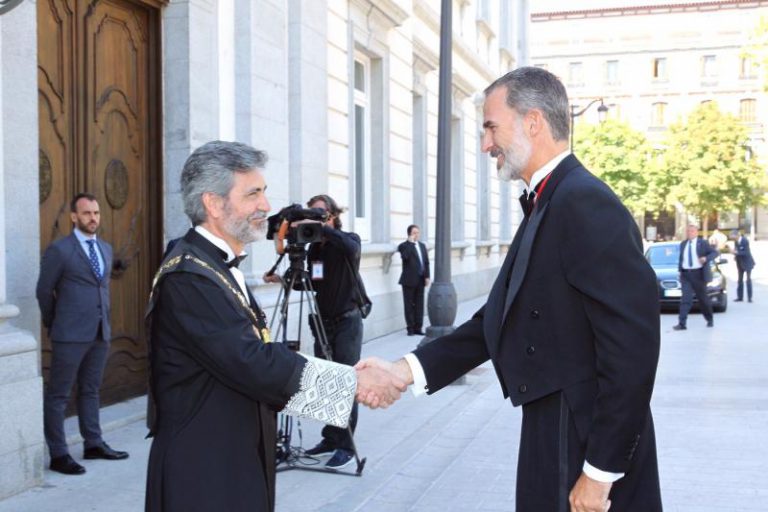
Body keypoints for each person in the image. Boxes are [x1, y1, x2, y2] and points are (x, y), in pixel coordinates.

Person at [357, 67, 662, 512]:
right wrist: (403, 370)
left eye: (490, 126)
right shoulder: (551, 200)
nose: (485, 144)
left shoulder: (583, 201)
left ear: (532, 122)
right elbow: (499, 320)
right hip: (553, 427)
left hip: (584, 441)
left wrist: (599, 474)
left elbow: (632, 351)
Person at [144, 141, 403, 512]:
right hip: (203, 469)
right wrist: (352, 384)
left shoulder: (213, 265)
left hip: (230, 453)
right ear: (213, 204)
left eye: (263, 193)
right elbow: (251, 361)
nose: (265, 206)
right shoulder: (189, 277)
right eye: (253, 194)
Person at [36, 193, 129, 475]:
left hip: (100, 333)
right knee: (58, 395)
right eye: (87, 213)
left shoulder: (105, 248)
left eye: (96, 213)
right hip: (69, 334)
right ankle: (59, 454)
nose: (93, 218)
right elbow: (43, 291)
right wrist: (56, 323)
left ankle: (93, 443)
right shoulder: (60, 250)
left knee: (91, 390)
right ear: (74, 217)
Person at [300, 194, 365, 470]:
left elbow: (351, 248)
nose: (315, 217)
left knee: (345, 380)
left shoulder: (348, 240)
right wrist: (283, 279)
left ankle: (346, 445)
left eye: (320, 213)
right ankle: (330, 437)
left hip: (348, 321)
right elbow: (314, 284)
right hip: (323, 323)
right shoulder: (316, 250)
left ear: (332, 215)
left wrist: (325, 228)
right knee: (326, 382)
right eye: (311, 213)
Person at [674, 224, 718, 330]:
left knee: (703, 299)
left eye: (692, 231)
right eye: (688, 231)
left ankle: (709, 319)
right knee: (685, 299)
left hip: (698, 274)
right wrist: (680, 271)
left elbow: (714, 253)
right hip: (686, 275)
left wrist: (705, 258)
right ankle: (682, 323)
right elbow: (682, 259)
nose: (690, 233)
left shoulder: (702, 243)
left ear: (696, 232)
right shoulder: (683, 244)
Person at [397, 225, 430, 335]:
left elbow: (426, 262)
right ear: (409, 234)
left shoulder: (422, 245)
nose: (416, 235)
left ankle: (418, 328)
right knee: (409, 305)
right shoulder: (403, 246)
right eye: (414, 233)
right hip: (408, 280)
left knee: (420, 304)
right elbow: (405, 257)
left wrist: (427, 277)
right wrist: (410, 243)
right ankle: (410, 328)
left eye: (418, 233)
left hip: (421, 279)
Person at [733, 230, 755, 303]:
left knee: (748, 280)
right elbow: (737, 250)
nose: (733, 237)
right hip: (739, 263)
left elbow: (746, 252)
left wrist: (737, 252)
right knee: (740, 280)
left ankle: (749, 298)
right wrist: (735, 255)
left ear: (737, 235)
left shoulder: (745, 241)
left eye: (734, 236)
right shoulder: (735, 242)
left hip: (747, 262)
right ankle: (740, 297)